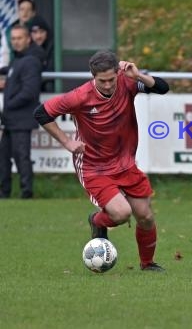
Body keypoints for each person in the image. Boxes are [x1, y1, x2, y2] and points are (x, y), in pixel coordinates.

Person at [33, 50, 169, 271]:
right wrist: (67, 142)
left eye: (111, 79)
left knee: (145, 216)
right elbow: (41, 113)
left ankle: (147, 264)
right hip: (94, 166)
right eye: (101, 81)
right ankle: (97, 221)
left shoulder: (127, 82)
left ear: (118, 73)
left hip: (125, 163)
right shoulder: (80, 96)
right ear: (92, 76)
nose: (107, 85)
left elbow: (163, 88)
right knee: (122, 213)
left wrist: (139, 75)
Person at [0, 24, 44, 199]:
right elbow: (10, 72)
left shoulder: (31, 61)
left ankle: (26, 193)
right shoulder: (17, 61)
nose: (16, 42)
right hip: (9, 119)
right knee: (3, 158)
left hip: (22, 118)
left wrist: (8, 103)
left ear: (28, 39)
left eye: (19, 38)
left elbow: (30, 91)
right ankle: (4, 192)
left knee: (21, 157)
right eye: (13, 39)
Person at [1, 0, 36, 68]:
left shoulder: (38, 30)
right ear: (18, 12)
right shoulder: (8, 32)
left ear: (33, 13)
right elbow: (4, 55)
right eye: (22, 9)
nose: (25, 13)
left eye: (28, 10)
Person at [27, 15, 55, 92]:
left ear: (47, 33)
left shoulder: (53, 49)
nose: (38, 36)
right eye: (35, 32)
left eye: (41, 32)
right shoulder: (25, 50)